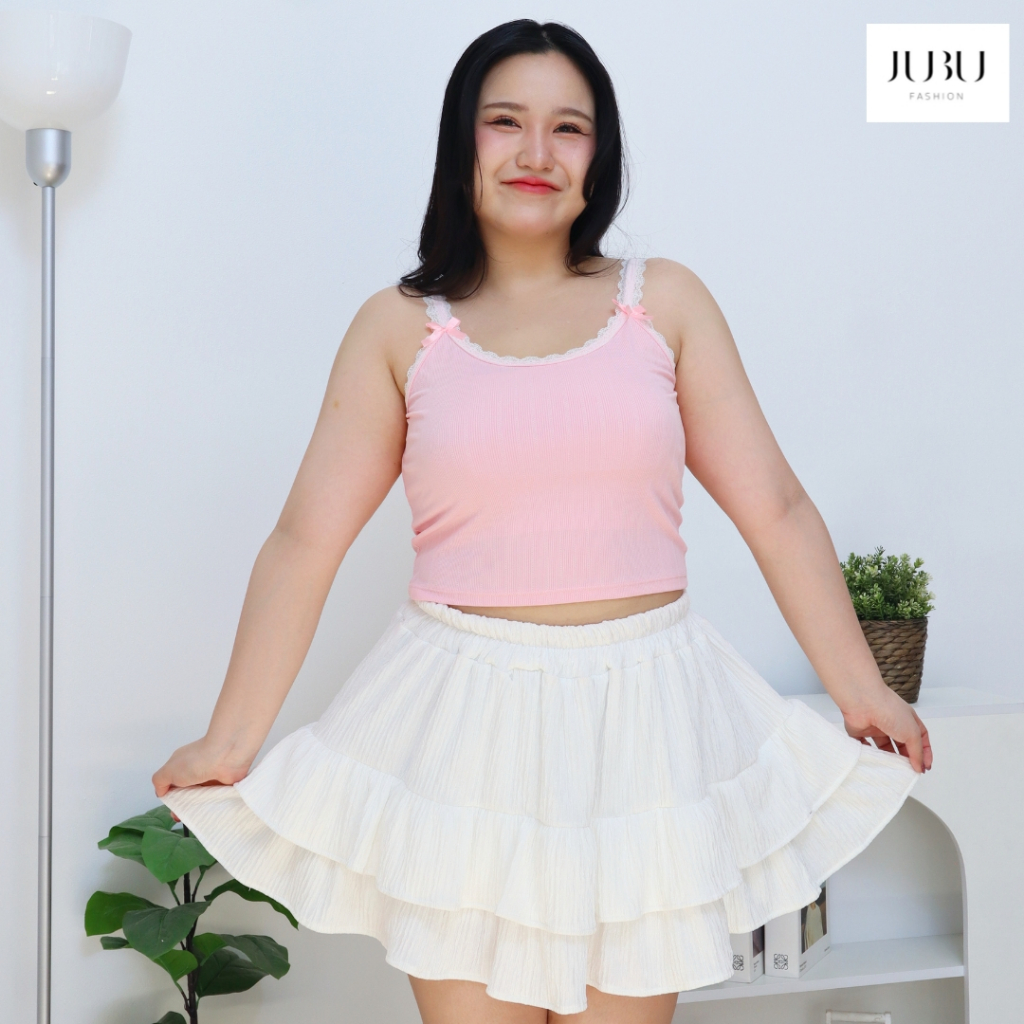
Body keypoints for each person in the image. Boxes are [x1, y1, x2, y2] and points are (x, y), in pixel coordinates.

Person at [153, 19, 931, 1024]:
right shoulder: (398, 327)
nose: (536, 152)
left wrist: (863, 690)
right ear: (461, 142)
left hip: (644, 727)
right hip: (462, 732)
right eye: (505, 121)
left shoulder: (665, 303)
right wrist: (230, 737)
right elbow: (306, 539)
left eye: (568, 127)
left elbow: (775, 508)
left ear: (598, 158)